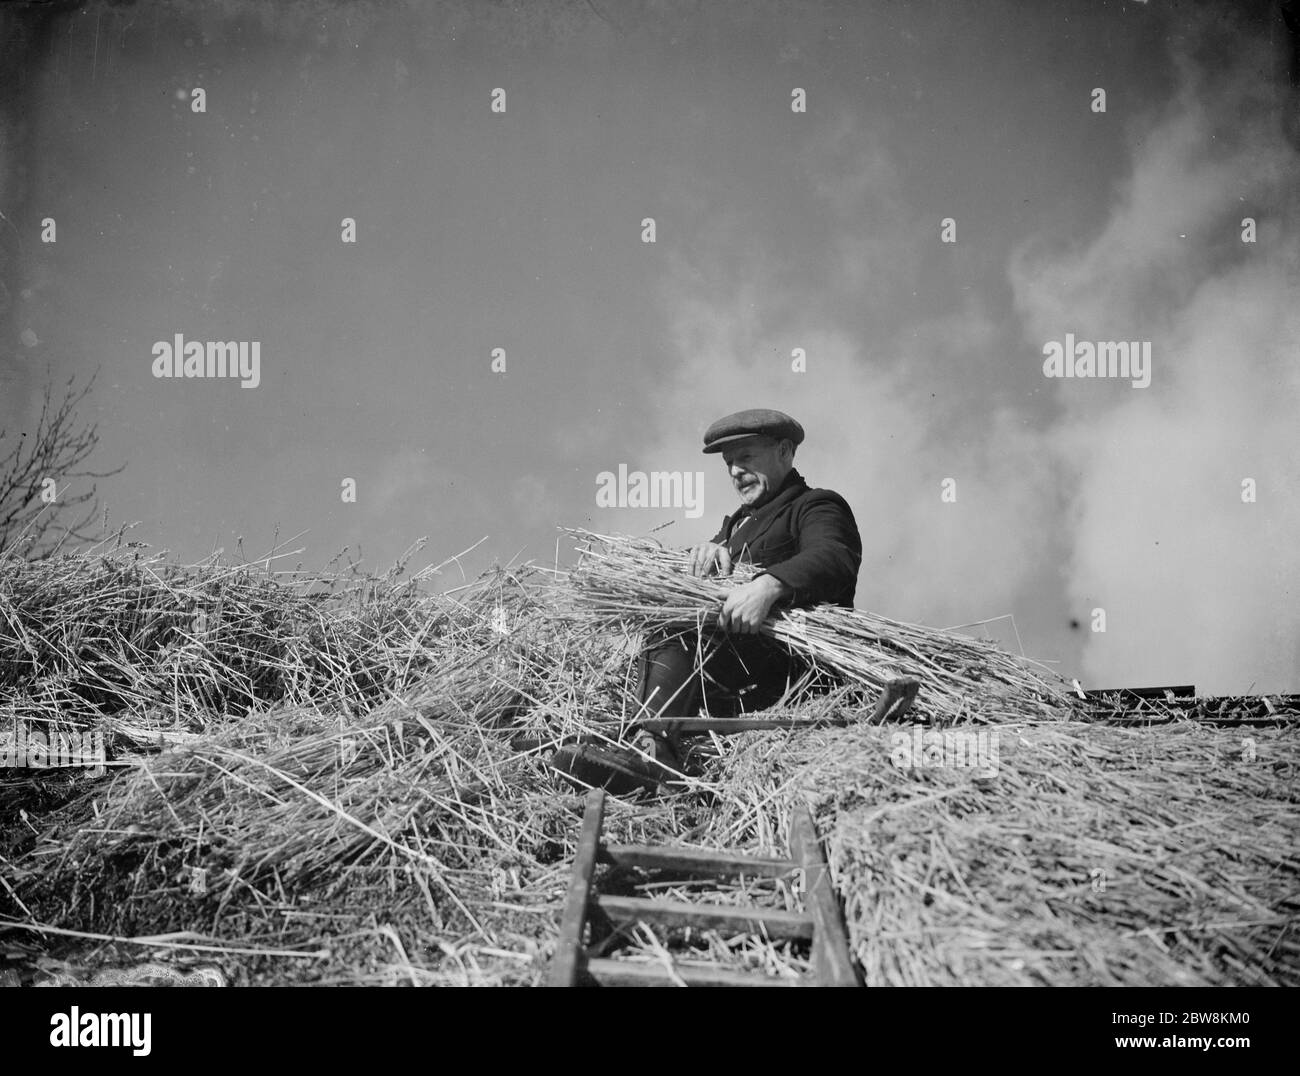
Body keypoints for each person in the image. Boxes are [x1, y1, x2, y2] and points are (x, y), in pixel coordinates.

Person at [550, 408, 862, 795]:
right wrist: (704, 556)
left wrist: (768, 586)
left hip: (785, 668)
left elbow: (834, 558)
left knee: (678, 632)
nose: (735, 472)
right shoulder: (735, 525)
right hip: (731, 672)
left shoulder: (815, 505)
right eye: (729, 463)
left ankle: (654, 756)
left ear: (784, 451)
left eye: (746, 457)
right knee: (661, 629)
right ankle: (633, 738)